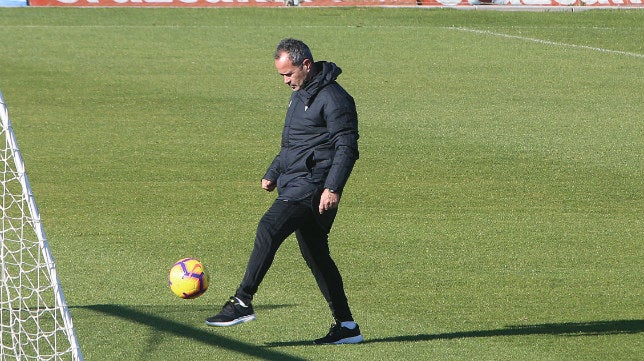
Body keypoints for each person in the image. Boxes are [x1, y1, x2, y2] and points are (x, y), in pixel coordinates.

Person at [205, 38, 362, 345]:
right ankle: (347, 327)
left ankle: (242, 301)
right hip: (296, 181)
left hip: (314, 187)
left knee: (269, 227)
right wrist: (274, 172)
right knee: (317, 255)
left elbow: (348, 147)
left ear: (306, 65)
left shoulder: (334, 98)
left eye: (288, 74)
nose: (286, 81)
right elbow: (294, 143)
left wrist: (333, 187)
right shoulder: (300, 93)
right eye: (282, 76)